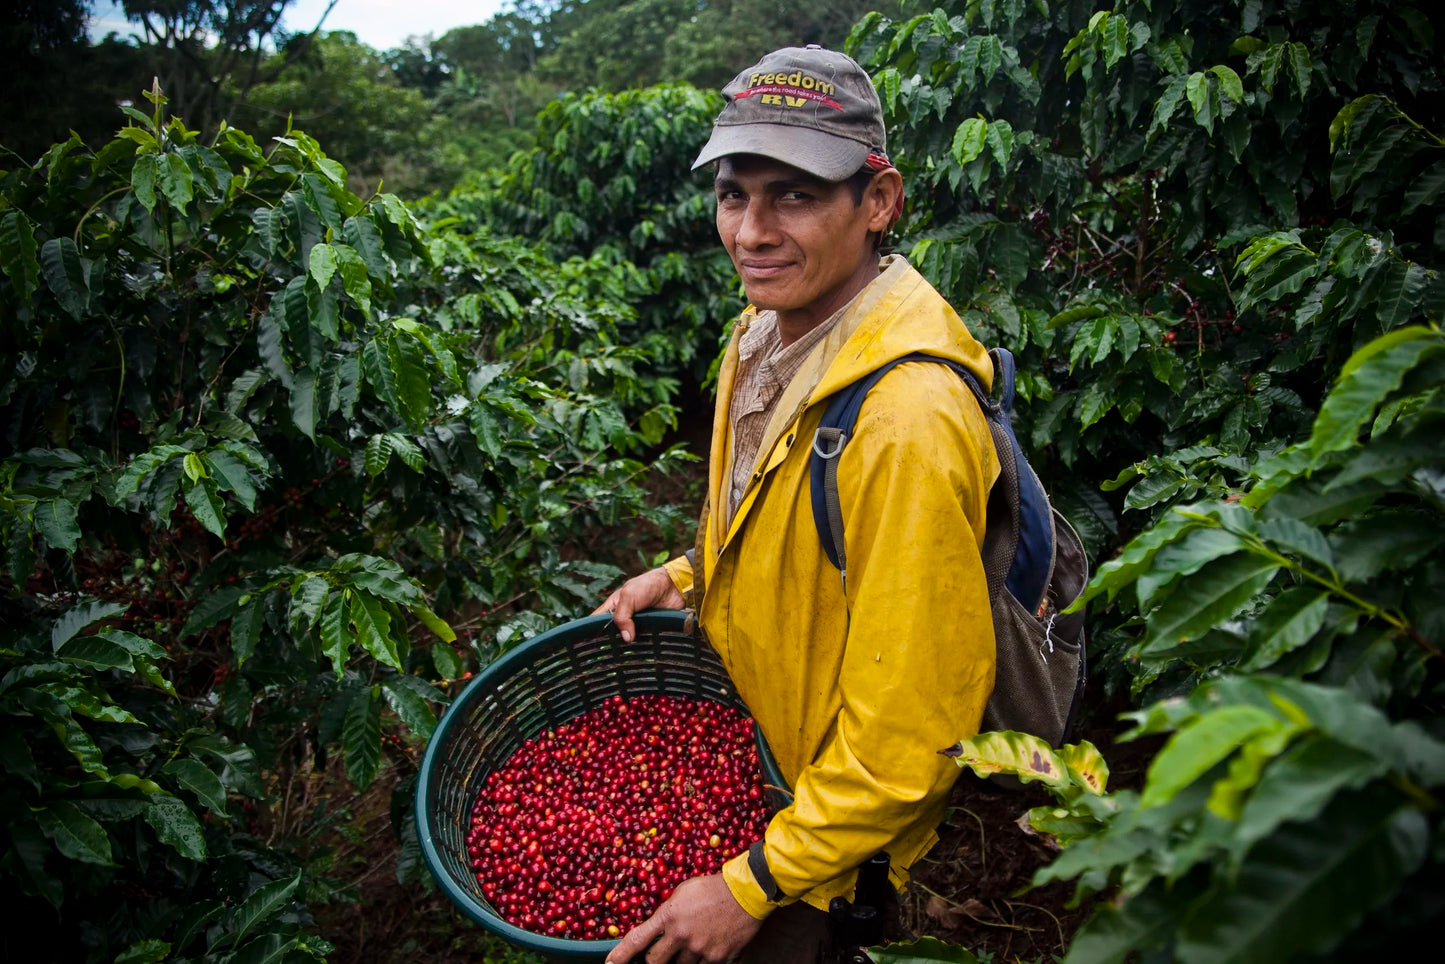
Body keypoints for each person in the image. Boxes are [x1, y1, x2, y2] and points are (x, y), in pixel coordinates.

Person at [595, 44, 999, 964]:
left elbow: (916, 735)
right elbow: (790, 535)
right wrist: (683, 574)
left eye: (796, 196)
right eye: (733, 194)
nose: (750, 231)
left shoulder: (905, 421)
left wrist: (753, 885)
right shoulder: (764, 331)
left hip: (821, 853)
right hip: (761, 770)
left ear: (879, 201)